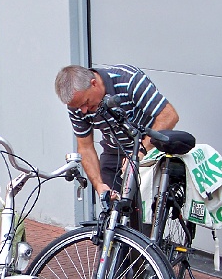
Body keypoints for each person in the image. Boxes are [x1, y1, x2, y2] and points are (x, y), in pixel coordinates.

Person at [55, 64, 179, 200]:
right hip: (115, 152)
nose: (83, 110)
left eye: (86, 102)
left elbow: (169, 116)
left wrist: (140, 151)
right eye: (79, 107)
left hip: (150, 149)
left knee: (147, 212)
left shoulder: (129, 79)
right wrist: (99, 185)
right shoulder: (77, 105)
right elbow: (85, 147)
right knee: (114, 211)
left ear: (94, 83)